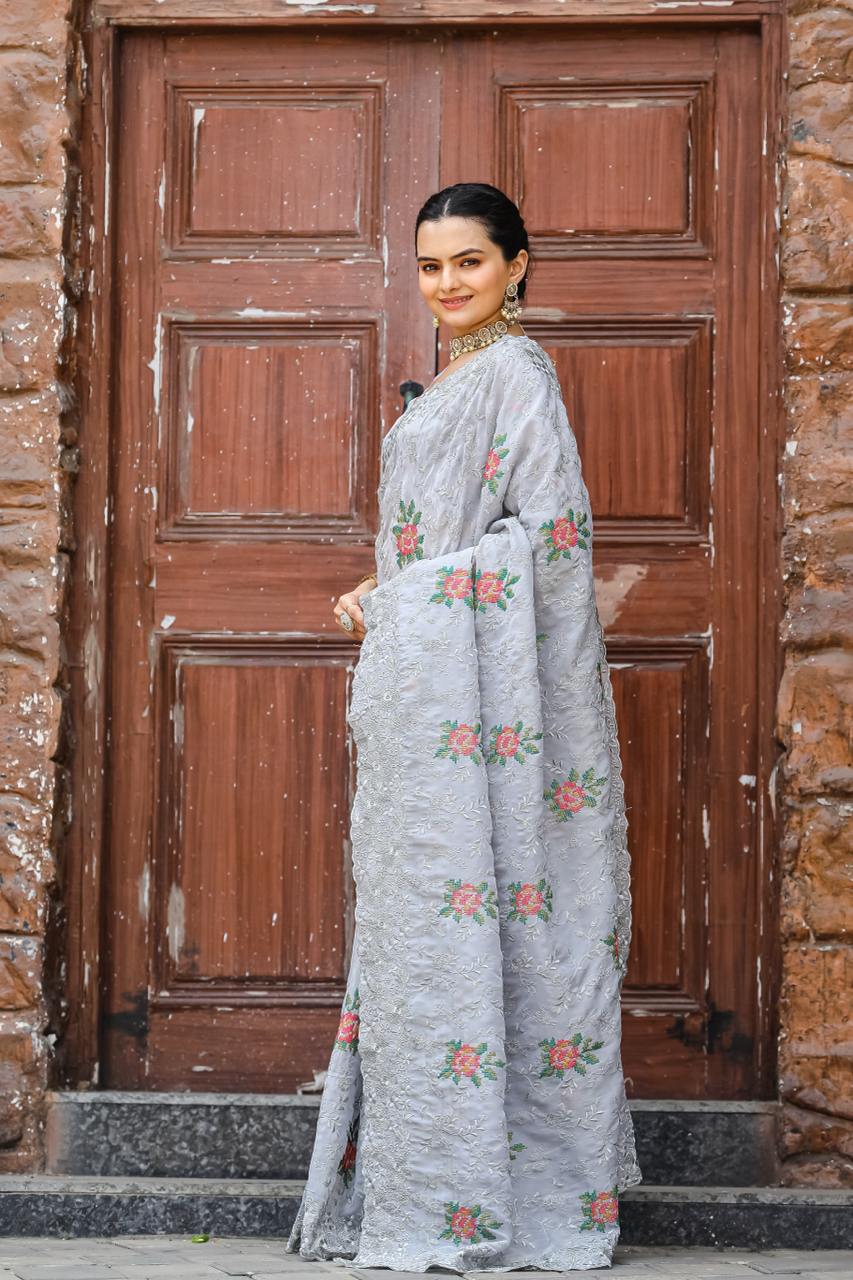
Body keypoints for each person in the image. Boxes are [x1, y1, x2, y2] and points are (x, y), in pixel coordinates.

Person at [287, 182, 642, 1273]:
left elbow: (547, 545)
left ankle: (503, 1198)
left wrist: (410, 597)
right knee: (421, 934)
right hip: (428, 704)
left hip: (486, 717)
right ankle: (427, 1185)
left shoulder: (517, 376)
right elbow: (437, 539)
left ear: (517, 264)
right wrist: (383, 590)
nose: (447, 283)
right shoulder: (454, 377)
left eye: (470, 262)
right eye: (431, 265)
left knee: (507, 921)